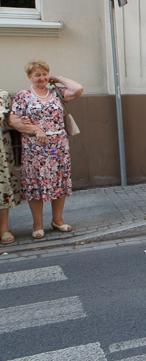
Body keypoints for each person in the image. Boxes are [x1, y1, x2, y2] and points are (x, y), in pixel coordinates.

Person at [10, 60, 84, 236]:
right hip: (35, 147)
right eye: (37, 75)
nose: (42, 78)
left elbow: (78, 89)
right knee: (35, 183)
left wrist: (57, 78)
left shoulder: (56, 92)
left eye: (44, 74)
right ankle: (38, 225)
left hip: (57, 146)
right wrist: (35, 130)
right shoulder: (23, 96)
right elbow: (13, 120)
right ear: (29, 77)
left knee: (59, 180)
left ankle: (58, 220)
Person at [0, 89, 22, 244]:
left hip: (1, 149)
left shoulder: (3, 95)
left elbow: (11, 121)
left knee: (2, 187)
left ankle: (3, 228)